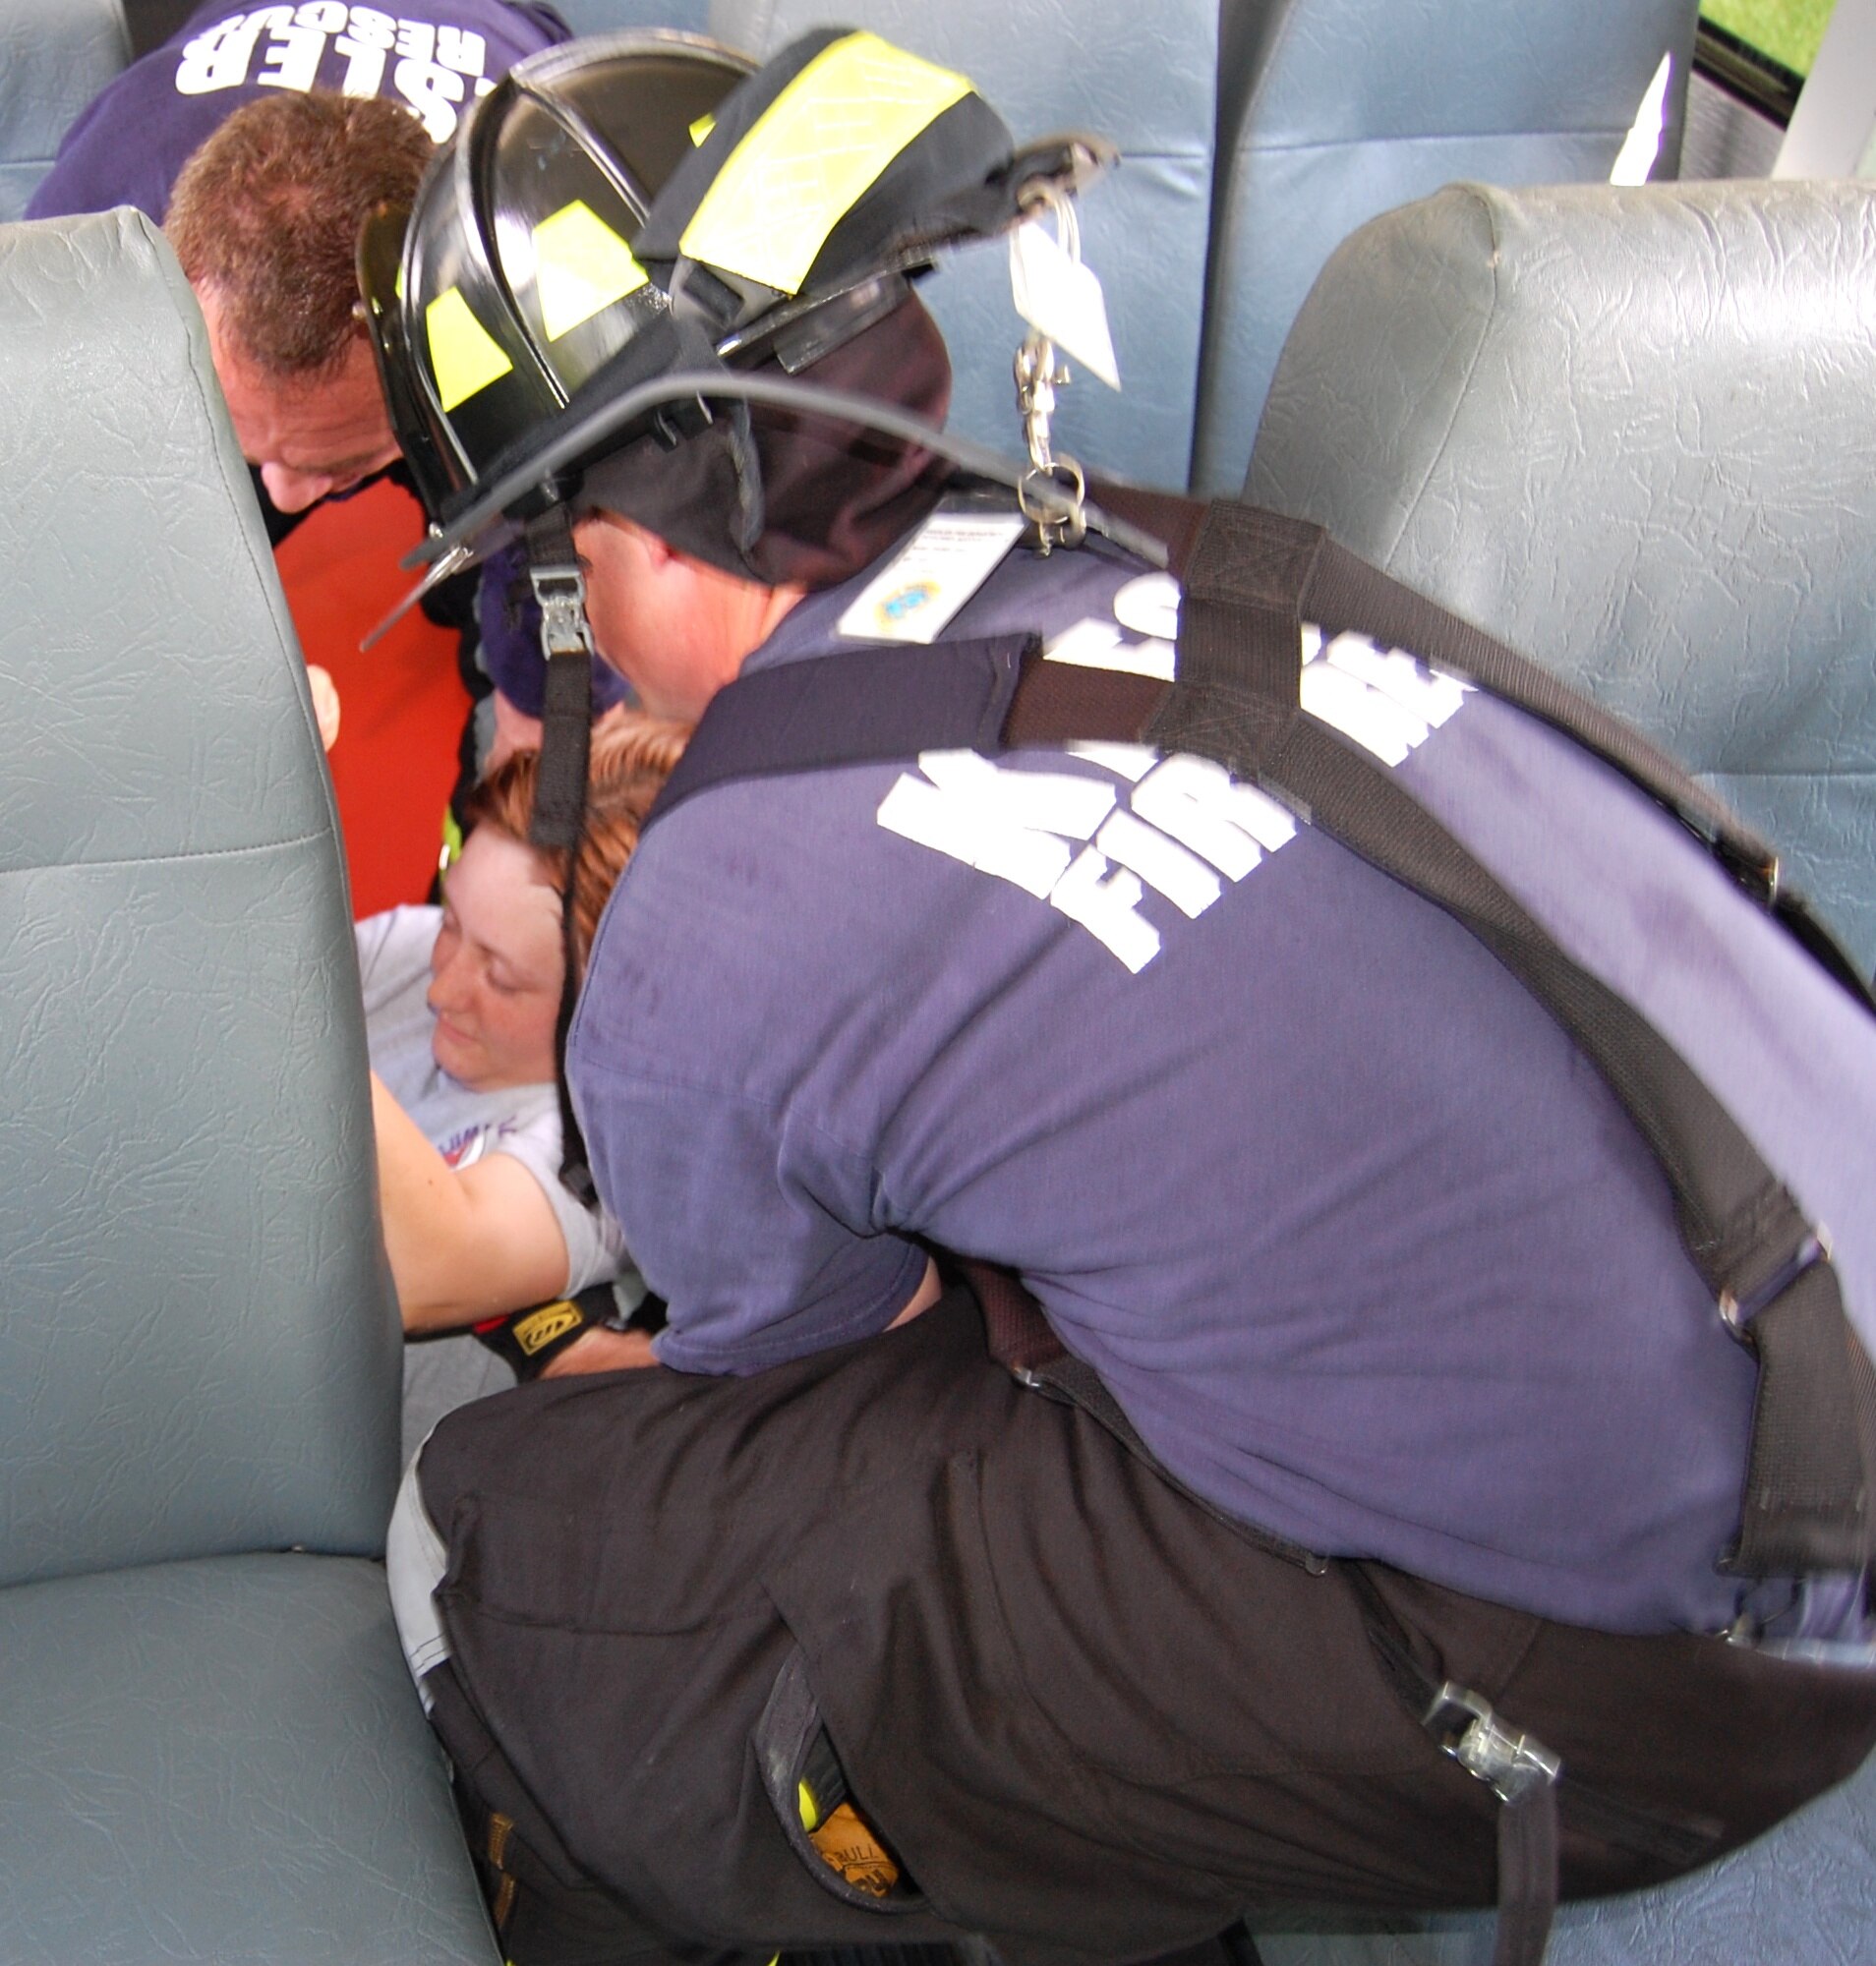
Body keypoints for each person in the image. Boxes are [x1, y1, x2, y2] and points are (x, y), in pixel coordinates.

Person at [375, 31, 1876, 1966]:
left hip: (1643, 1673)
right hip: (1808, 1376)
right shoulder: (1156, 557)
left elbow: (819, 1371)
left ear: (632, 542)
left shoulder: (717, 919)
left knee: (530, 1532)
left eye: (549, 555)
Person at [27, 1, 569, 537]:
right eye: (233, 425)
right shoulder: (90, 223)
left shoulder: (545, 246)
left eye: (340, 464)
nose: (283, 496)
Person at [361, 709, 686, 1457]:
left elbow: (417, 1265)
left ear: (616, 1008)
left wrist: (267, 955)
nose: (443, 988)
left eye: (503, 979)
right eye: (453, 922)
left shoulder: (602, 1152)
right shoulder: (414, 952)